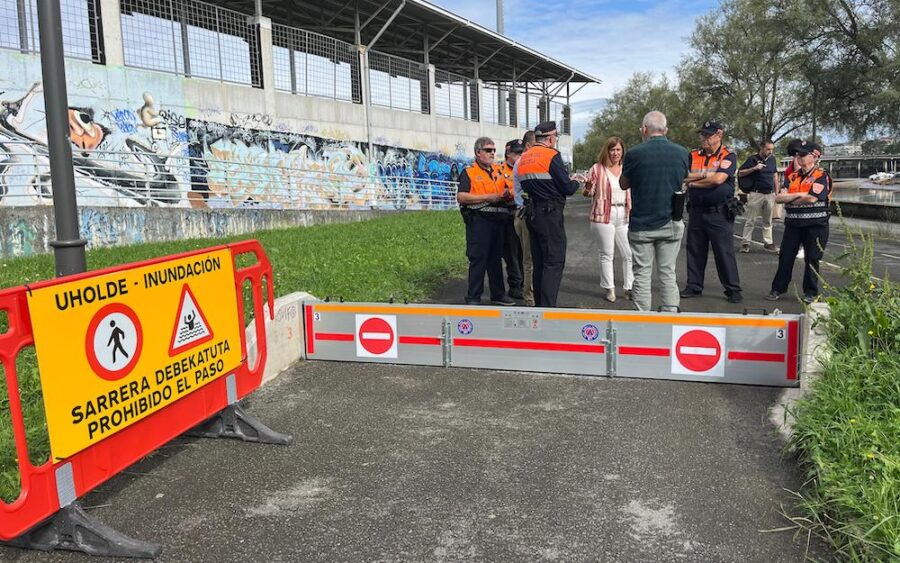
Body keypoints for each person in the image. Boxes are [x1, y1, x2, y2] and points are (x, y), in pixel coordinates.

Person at [620, 111, 690, 312]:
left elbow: (623, 184)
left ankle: (643, 319)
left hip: (642, 224)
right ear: (665, 130)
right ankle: (670, 315)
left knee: (642, 273)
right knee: (667, 272)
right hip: (671, 221)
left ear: (644, 129)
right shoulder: (682, 152)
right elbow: (684, 178)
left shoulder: (634, 153)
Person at [516, 121, 583, 307]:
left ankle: (540, 307)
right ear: (551, 138)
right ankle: (548, 309)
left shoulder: (524, 158)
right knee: (553, 261)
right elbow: (567, 187)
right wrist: (577, 182)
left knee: (539, 262)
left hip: (532, 213)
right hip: (550, 214)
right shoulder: (551, 155)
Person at [681, 121, 743, 304]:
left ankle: (733, 289)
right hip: (697, 211)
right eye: (702, 135)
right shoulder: (693, 155)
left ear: (719, 135)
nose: (704, 138)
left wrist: (693, 183)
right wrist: (704, 176)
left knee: (724, 252)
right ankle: (694, 285)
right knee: (695, 250)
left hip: (719, 212)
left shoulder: (728, 155)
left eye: (708, 135)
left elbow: (718, 179)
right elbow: (683, 175)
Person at [766, 140, 831, 303]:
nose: (798, 157)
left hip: (816, 226)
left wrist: (791, 197)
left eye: (802, 154)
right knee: (785, 257)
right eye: (797, 154)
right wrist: (799, 196)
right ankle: (778, 289)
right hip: (793, 225)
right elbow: (779, 198)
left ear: (814, 156)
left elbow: (812, 198)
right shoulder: (792, 176)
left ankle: (810, 292)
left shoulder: (821, 176)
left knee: (812, 259)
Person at [457, 137, 516, 306]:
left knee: (495, 259)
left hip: (499, 221)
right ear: (478, 152)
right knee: (478, 258)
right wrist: (488, 197)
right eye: (488, 150)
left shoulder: (499, 170)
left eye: (494, 150)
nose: (492, 153)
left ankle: (498, 294)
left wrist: (507, 194)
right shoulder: (469, 172)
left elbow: (511, 188)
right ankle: (473, 297)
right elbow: (462, 196)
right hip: (479, 220)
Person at [584, 136, 633, 303]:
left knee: (628, 253)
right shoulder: (597, 168)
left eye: (618, 150)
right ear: (607, 151)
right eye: (612, 150)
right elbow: (588, 193)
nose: (615, 153)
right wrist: (588, 187)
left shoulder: (626, 168)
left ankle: (629, 287)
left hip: (623, 213)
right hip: (603, 214)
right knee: (607, 253)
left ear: (622, 151)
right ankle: (609, 288)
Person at [738, 140, 778, 253]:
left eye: (772, 149)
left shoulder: (772, 159)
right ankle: (745, 242)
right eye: (768, 149)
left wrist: (777, 191)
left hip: (769, 194)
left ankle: (768, 242)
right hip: (756, 193)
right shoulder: (752, 159)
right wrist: (754, 168)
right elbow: (741, 172)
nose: (770, 152)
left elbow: (775, 175)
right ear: (761, 148)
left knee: (768, 221)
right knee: (751, 220)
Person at [512, 131, 537, 306]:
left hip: (526, 213)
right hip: (524, 213)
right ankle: (529, 297)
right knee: (529, 259)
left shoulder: (525, 162)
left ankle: (532, 293)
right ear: (528, 146)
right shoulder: (524, 163)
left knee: (532, 258)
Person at [499, 140, 525, 300]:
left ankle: (524, 284)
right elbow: (499, 191)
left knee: (524, 253)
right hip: (507, 215)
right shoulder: (499, 170)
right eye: (518, 153)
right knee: (512, 254)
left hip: (522, 214)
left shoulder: (523, 169)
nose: (521, 156)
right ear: (508, 153)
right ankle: (516, 285)